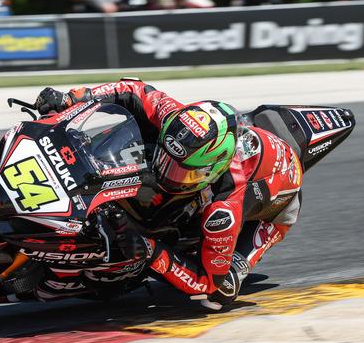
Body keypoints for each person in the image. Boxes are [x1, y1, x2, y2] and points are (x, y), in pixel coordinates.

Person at [35, 79, 303, 310]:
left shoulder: (225, 207)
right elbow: (133, 89)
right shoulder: (175, 119)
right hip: (237, 146)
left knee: (219, 293)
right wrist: (73, 98)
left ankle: (239, 263)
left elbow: (206, 282)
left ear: (211, 171)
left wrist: (150, 250)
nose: (167, 173)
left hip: (278, 201)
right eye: (167, 160)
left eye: (182, 171)